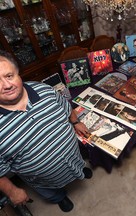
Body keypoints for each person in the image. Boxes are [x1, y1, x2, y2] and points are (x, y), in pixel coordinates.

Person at [0, 50, 93, 212]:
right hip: (42, 179)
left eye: (9, 76)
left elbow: (65, 105)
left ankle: (79, 170)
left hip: (73, 156)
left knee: (78, 164)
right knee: (51, 192)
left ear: (18, 73)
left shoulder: (44, 89)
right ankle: (60, 197)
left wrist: (76, 121)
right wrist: (12, 190)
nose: (7, 85)